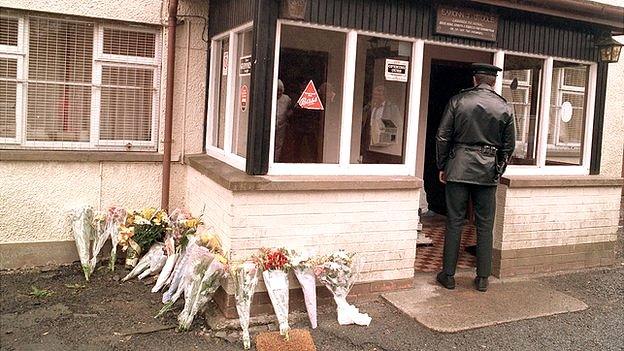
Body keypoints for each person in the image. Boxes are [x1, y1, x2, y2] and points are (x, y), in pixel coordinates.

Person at [435, 63, 515, 292]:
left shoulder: (458, 101)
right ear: (493, 82)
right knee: (485, 224)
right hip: (487, 170)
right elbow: (509, 146)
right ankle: (482, 279)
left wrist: (443, 165)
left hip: (458, 166)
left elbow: (442, 136)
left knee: (454, 222)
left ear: (474, 80)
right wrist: (498, 169)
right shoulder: (504, 106)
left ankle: (448, 276)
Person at [360, 85, 401, 163]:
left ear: (385, 96)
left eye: (379, 95)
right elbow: (363, 124)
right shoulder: (369, 107)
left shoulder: (392, 108)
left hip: (385, 148)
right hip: (369, 146)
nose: (376, 97)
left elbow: (399, 125)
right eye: (375, 95)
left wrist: (391, 142)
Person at [274, 79, 292, 162]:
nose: (278, 93)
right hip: (271, 125)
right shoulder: (270, 97)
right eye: (277, 90)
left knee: (278, 145)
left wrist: (288, 116)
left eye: (280, 90)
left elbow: (290, 110)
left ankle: (275, 161)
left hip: (281, 126)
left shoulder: (287, 99)